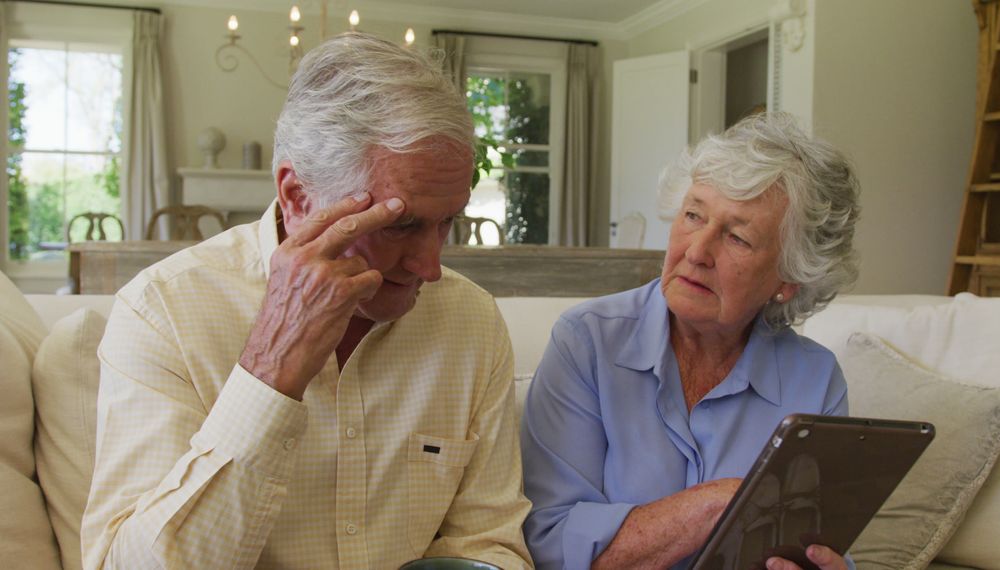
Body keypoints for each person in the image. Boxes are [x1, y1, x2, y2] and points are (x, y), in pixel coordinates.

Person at [82, 33, 532, 570]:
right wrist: (272, 371)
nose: (431, 267)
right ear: (298, 197)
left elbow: (488, 543)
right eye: (402, 225)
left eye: (447, 223)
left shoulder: (471, 321)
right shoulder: (162, 314)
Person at [521, 112, 861, 570]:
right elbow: (550, 544)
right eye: (693, 215)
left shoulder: (815, 380)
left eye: (738, 238)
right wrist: (719, 504)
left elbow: (819, 540)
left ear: (789, 280)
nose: (696, 251)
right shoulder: (588, 342)